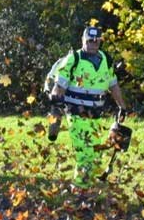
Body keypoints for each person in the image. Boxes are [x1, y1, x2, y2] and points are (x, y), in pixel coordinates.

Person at [46, 26, 130, 186]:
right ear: (83, 40)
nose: (93, 43)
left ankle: (89, 188)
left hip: (96, 116)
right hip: (76, 114)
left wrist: (122, 106)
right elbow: (59, 87)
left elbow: (113, 85)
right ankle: (80, 190)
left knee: (95, 153)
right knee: (86, 153)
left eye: (96, 40)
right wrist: (56, 105)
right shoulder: (74, 60)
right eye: (89, 40)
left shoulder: (106, 59)